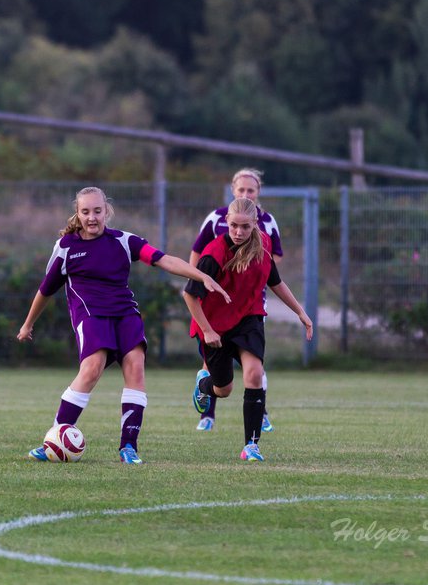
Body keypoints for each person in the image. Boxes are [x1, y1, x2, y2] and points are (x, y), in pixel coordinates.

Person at [17, 186, 229, 465]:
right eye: (85, 212)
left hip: (125, 313)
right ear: (77, 214)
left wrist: (201, 276)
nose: (92, 217)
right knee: (91, 369)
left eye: (97, 211)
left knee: (135, 367)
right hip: (90, 314)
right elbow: (45, 290)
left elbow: (164, 259)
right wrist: (28, 324)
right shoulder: (66, 248)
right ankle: (53, 441)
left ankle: (128, 447)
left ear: (107, 211)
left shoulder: (123, 241)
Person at [184, 198, 313, 462]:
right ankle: (203, 385)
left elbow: (275, 282)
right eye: (233, 226)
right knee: (224, 389)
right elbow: (190, 295)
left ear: (255, 224)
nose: (239, 232)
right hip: (215, 325)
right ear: (226, 223)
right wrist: (207, 330)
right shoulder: (214, 254)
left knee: (254, 374)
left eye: (245, 226)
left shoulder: (264, 244)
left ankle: (251, 446)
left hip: (248, 318)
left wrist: (300, 312)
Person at [188, 168, 283, 433]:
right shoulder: (216, 219)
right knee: (214, 369)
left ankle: (259, 415)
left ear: (258, 192)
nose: (245, 194)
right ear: (232, 190)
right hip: (216, 306)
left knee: (254, 367)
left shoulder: (267, 223)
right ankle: (207, 414)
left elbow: (273, 263)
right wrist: (197, 285)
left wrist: (253, 281)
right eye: (240, 190)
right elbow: (198, 255)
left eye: (250, 190)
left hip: (250, 305)